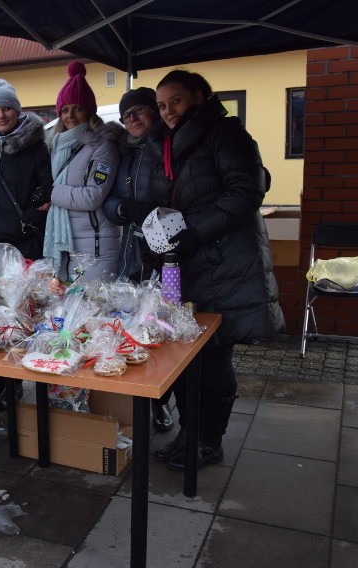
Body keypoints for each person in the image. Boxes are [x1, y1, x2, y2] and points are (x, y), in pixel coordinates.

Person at [147, 70, 284, 469]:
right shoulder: (170, 144)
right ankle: (189, 436)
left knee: (215, 356)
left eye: (176, 101)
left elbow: (246, 192)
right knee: (187, 358)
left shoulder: (226, 135)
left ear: (199, 95)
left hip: (225, 263)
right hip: (188, 266)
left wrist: (193, 233)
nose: (168, 111)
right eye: (161, 105)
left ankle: (209, 441)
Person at [0, 78, 53, 410]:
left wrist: (29, 217)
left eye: (7, 108)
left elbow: (47, 189)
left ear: (17, 111)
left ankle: (12, 383)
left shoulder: (34, 147)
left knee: (17, 318)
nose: (1, 115)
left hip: (20, 246)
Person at [103, 87, 174, 433]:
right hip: (132, 250)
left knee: (161, 327)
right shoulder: (125, 153)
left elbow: (181, 194)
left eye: (139, 112)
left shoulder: (169, 146)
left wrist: (154, 212)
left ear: (155, 113)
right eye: (126, 115)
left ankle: (161, 402)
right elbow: (109, 199)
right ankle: (134, 401)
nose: (132, 120)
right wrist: (121, 209)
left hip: (165, 252)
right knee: (131, 327)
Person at [45, 61, 124, 284]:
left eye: (77, 108)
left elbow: (93, 197)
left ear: (89, 111)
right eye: (65, 109)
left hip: (97, 248)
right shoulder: (59, 146)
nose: (70, 115)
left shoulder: (103, 146)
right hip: (69, 246)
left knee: (95, 312)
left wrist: (52, 193)